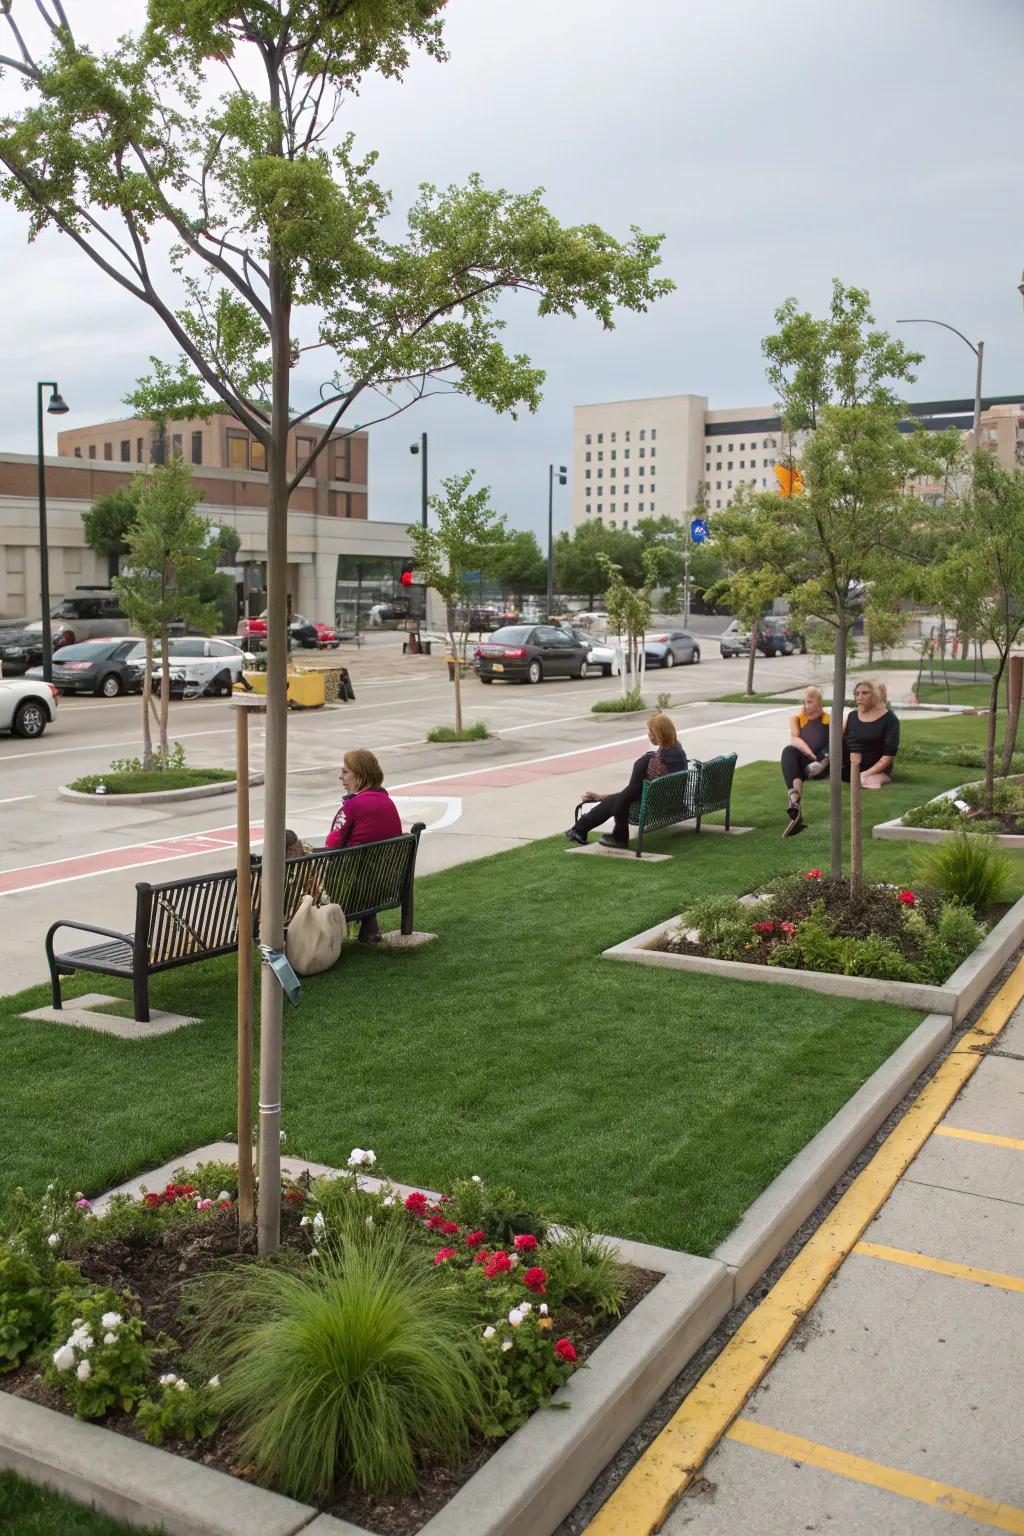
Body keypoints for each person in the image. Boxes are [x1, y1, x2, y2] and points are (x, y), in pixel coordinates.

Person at [566, 713, 687, 850]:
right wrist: (601, 796)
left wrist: (604, 797)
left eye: (651, 731)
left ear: (659, 734)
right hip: (670, 801)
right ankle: (579, 830)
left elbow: (632, 792)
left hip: (658, 806)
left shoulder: (655, 761)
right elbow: (635, 790)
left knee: (617, 801)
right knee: (615, 799)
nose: (649, 735)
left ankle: (616, 837)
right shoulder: (675, 751)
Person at [325, 749, 402, 943]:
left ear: (359, 775)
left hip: (353, 886)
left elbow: (332, 844)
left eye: (345, 772)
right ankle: (369, 928)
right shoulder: (387, 802)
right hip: (386, 882)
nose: (340, 777)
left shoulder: (352, 806)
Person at [780, 686, 830, 838]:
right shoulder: (797, 719)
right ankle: (795, 802)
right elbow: (794, 740)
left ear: (819, 703)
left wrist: (822, 763)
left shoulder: (828, 720)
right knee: (788, 751)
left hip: (822, 764)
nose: (806, 706)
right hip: (806, 761)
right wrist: (809, 753)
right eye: (804, 702)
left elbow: (833, 747)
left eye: (810, 702)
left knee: (799, 767)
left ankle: (795, 807)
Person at [845, 678, 900, 789]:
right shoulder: (852, 716)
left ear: (877, 695)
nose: (859, 697)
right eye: (857, 693)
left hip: (875, 767)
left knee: (864, 780)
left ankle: (877, 777)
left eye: (865, 693)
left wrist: (867, 773)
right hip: (851, 765)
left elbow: (888, 756)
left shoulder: (890, 719)